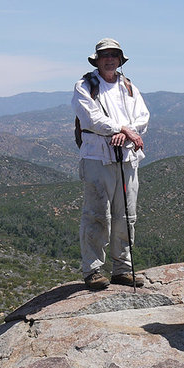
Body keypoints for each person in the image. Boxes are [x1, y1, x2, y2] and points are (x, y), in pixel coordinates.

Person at [72, 38, 150, 290]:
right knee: (96, 214)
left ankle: (122, 269)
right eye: (104, 55)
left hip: (127, 156)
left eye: (114, 55)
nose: (109, 59)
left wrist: (126, 132)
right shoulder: (84, 86)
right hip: (97, 156)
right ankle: (93, 269)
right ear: (97, 59)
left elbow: (143, 117)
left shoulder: (128, 87)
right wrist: (123, 129)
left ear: (119, 59)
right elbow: (91, 118)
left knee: (126, 215)